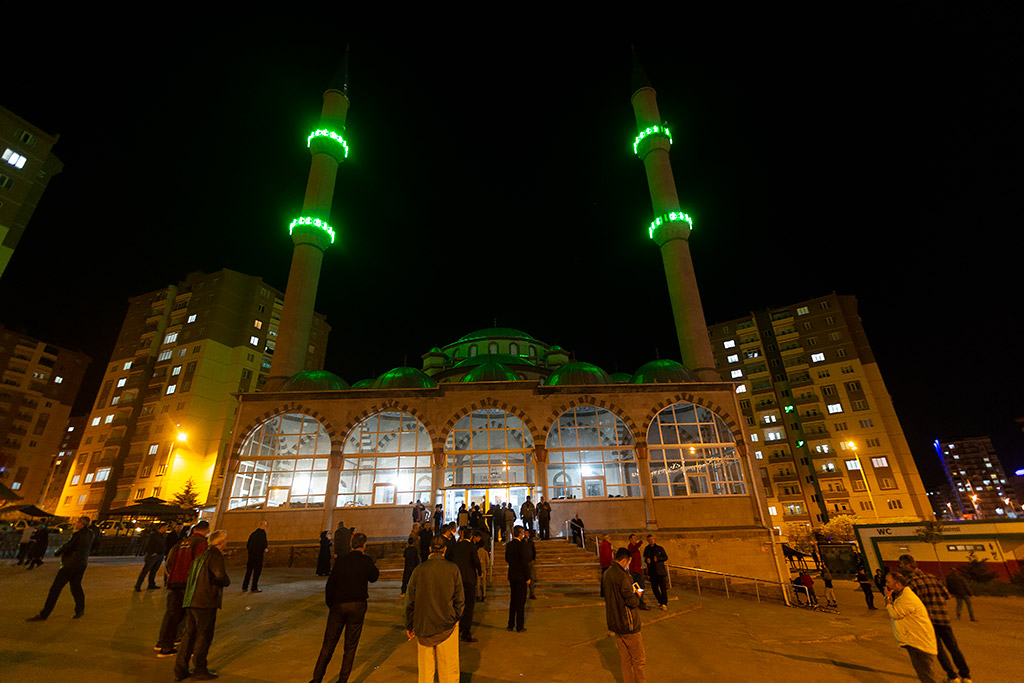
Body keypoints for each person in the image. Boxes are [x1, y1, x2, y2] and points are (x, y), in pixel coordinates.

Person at [310, 532, 379, 683]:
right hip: (357, 605)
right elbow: (374, 577)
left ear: (351, 545)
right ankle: (342, 680)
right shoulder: (365, 560)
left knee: (328, 644)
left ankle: (317, 678)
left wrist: (332, 604)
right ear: (364, 545)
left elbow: (330, 585)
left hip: (339, 605)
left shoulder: (341, 561)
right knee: (350, 647)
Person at [897, 554, 973, 683]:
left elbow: (910, 604)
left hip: (927, 622)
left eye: (901, 565)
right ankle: (966, 676)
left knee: (938, 650)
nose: (900, 568)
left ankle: (952, 676)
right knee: (954, 648)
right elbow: (946, 595)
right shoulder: (933, 577)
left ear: (908, 565)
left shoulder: (910, 583)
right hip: (943, 618)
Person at [174, 529, 231, 682]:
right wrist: (226, 581)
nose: (226, 542)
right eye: (225, 540)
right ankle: (200, 668)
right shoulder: (215, 555)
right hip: (205, 600)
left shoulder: (202, 555)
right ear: (220, 542)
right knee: (203, 635)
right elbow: (219, 575)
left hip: (192, 599)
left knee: (189, 635)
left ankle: (180, 669)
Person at [405, 535, 464, 683]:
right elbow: (460, 599)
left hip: (423, 626)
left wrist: (410, 624)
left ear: (430, 549)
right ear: (444, 550)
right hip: (447, 625)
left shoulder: (419, 570)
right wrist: (455, 617)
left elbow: (409, 600)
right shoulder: (453, 569)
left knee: (425, 673)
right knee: (449, 672)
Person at [156, 520, 210, 657]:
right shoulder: (200, 543)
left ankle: (164, 644)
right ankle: (186, 647)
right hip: (188, 583)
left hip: (174, 581)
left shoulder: (181, 542)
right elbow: (200, 564)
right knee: (191, 616)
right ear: (206, 530)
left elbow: (169, 560)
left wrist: (170, 576)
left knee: (172, 614)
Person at [27, 516, 94, 621]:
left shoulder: (78, 535)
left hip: (70, 564)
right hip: (82, 563)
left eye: (78, 522)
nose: (76, 524)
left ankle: (44, 614)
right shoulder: (91, 534)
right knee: (76, 586)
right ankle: (80, 609)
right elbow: (94, 546)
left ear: (81, 524)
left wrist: (58, 552)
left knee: (55, 589)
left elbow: (69, 546)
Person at [884, 570, 940, 683]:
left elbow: (895, 614)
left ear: (898, 584)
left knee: (926, 677)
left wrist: (887, 598)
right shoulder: (902, 595)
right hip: (916, 642)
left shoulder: (907, 598)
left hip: (920, 643)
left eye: (888, 582)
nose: (886, 585)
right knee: (924, 675)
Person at [604, 547, 646, 683]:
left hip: (616, 623)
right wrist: (638, 595)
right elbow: (632, 601)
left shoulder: (607, 574)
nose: (628, 565)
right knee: (639, 660)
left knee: (625, 660)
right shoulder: (624, 577)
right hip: (629, 624)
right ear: (623, 560)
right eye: (628, 563)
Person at [452, 527, 483, 641]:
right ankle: (466, 632)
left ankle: (458, 627)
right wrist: (480, 572)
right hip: (469, 580)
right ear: (470, 536)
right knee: (469, 606)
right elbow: (476, 561)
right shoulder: (471, 547)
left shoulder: (457, 546)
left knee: (458, 604)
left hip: (457, 579)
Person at [505, 526, 530, 632]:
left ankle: (510, 624)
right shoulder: (522, 545)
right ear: (520, 534)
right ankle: (519, 625)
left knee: (513, 600)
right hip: (520, 576)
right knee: (521, 602)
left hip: (512, 575)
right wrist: (528, 576)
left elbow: (507, 559)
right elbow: (525, 562)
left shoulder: (509, 545)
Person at [135, 522, 168, 591]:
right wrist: (152, 552)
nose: (166, 529)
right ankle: (138, 585)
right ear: (161, 527)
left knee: (154, 571)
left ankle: (151, 584)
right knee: (145, 570)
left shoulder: (163, 535)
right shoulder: (153, 535)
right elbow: (148, 545)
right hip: (153, 555)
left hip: (160, 555)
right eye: (165, 527)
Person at [643, 534, 669, 610]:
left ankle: (664, 603)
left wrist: (658, 559)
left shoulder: (659, 548)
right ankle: (660, 601)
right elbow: (645, 557)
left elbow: (665, 557)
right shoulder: (646, 549)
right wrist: (646, 560)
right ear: (647, 540)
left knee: (663, 588)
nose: (651, 541)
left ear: (654, 540)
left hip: (660, 571)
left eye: (652, 539)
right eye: (649, 539)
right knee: (654, 589)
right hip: (652, 571)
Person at [242, 520, 268, 593]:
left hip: (251, 555)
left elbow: (248, 545)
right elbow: (263, 543)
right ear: (264, 526)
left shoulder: (253, 534)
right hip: (258, 555)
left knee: (249, 571)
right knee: (257, 571)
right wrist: (265, 549)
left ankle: (245, 586)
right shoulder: (262, 533)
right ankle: (254, 587)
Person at [626, 534, 648, 610]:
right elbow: (634, 547)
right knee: (639, 587)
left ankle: (639, 603)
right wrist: (641, 541)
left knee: (639, 587)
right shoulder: (631, 547)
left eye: (636, 538)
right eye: (634, 538)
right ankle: (640, 604)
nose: (636, 540)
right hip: (635, 571)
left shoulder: (635, 549)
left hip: (638, 570)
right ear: (630, 539)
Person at [474, 531, 490, 601]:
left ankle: (478, 595)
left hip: (477, 568)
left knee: (478, 582)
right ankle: (484, 595)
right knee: (484, 582)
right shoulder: (485, 552)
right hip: (483, 567)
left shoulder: (476, 551)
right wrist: (487, 568)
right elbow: (488, 561)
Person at [525, 529, 538, 599]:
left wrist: (533, 558)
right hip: (524, 562)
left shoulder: (530, 542)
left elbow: (533, 550)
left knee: (532, 578)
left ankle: (532, 593)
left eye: (527, 533)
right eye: (525, 533)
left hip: (530, 561)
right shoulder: (522, 542)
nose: (526, 534)